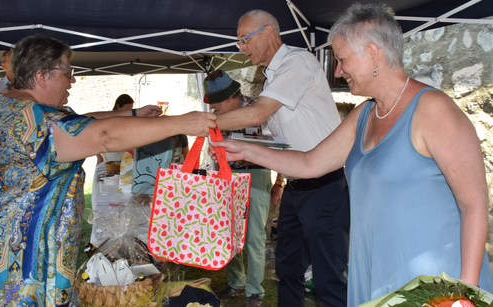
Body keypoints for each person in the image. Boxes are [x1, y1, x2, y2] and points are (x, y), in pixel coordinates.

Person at [210, 3, 493, 306]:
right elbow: (310, 163)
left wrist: (465, 290)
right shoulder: (364, 114)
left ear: (373, 54)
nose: (337, 70)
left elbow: (473, 204)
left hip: (434, 280)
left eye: (342, 59)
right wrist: (246, 150)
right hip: (373, 269)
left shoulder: (433, 109)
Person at [0, 33, 216, 305]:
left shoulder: (13, 105)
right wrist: (181, 123)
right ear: (42, 76)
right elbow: (104, 137)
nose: (73, 80)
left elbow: (78, 121)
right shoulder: (35, 123)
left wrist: (133, 114)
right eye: (68, 72)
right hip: (9, 262)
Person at [215, 9, 350, 307]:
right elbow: (279, 139)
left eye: (243, 40)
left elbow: (259, 113)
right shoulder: (272, 77)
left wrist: (203, 122)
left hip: (325, 186)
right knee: (288, 269)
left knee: (329, 278)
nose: (240, 48)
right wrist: (239, 146)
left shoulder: (296, 62)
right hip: (297, 186)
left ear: (267, 33)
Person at [205, 69, 272, 307]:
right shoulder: (215, 117)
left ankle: (255, 291)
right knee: (229, 232)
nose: (214, 109)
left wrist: (281, 182)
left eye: (216, 104)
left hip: (256, 175)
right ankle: (236, 283)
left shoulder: (258, 110)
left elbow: (279, 145)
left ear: (231, 98)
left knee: (254, 235)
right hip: (228, 175)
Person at [97, 93, 137, 164]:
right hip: (112, 156)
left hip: (125, 156)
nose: (128, 113)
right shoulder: (107, 120)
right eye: (126, 110)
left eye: (130, 110)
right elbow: (96, 136)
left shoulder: (128, 120)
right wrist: (98, 156)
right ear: (118, 106)